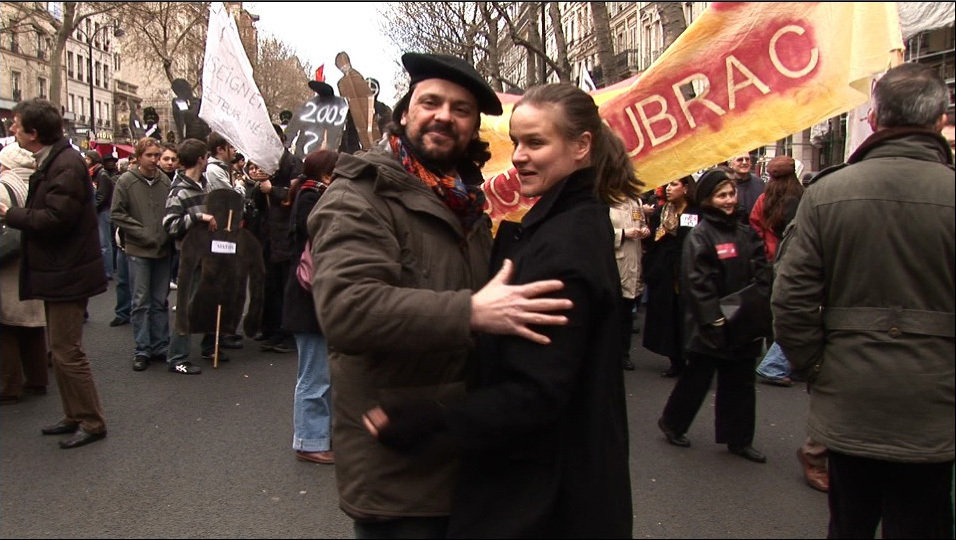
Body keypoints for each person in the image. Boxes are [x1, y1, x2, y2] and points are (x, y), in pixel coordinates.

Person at [307, 52, 572, 539]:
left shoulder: (462, 198)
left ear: (474, 129)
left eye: (461, 109)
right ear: (406, 112)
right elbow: (348, 309)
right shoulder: (359, 195)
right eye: (431, 102)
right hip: (398, 466)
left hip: (457, 450)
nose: (444, 116)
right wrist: (472, 311)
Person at [363, 82, 636, 538]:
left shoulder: (565, 243)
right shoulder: (562, 224)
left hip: (542, 496)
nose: (520, 157)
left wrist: (434, 419)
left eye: (536, 143)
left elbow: (537, 393)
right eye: (517, 142)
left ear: (581, 145)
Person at [772, 62, 954, 538]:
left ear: (874, 120)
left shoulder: (829, 192)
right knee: (922, 519)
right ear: (940, 120)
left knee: (849, 521)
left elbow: (789, 299)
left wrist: (816, 367)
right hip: (937, 398)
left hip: (850, 391)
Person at [0, 98, 108, 449]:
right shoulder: (57, 161)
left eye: (17, 125)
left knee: (66, 350)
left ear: (33, 133)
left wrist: (8, 214)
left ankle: (91, 421)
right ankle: (74, 414)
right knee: (60, 351)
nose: (12, 129)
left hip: (67, 271)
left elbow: (54, 220)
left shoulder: (65, 165)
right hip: (60, 269)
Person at [657, 168, 771, 464]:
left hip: (744, 323)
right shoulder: (700, 236)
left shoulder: (746, 233)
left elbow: (762, 272)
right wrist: (714, 318)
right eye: (722, 195)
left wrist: (756, 306)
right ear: (708, 199)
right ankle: (673, 423)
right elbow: (697, 282)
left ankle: (739, 439)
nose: (729, 200)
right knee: (697, 379)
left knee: (741, 383)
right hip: (713, 325)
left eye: (731, 193)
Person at [283, 149, 338, 464]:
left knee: (322, 375)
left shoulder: (312, 195)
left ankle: (318, 436)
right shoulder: (309, 199)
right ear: (327, 174)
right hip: (308, 301)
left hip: (313, 299)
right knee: (314, 376)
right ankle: (309, 441)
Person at [110, 137, 173, 372]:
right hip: (138, 249)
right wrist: (143, 233)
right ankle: (142, 348)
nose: (155, 160)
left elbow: (170, 211)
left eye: (158, 155)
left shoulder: (164, 181)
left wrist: (166, 233)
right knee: (140, 301)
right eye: (151, 155)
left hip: (162, 248)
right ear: (139, 156)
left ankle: (160, 345)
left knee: (159, 300)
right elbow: (117, 213)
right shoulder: (126, 181)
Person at [162, 138, 220, 375]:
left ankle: (209, 346)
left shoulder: (203, 185)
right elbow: (170, 225)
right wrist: (197, 218)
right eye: (206, 157)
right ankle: (177, 358)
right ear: (200, 159)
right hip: (190, 256)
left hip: (207, 252)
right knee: (187, 306)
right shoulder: (179, 190)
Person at [749, 156, 805, 387]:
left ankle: (774, 352)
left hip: (770, 259)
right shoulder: (802, 198)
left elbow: (755, 226)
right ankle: (781, 361)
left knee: (773, 306)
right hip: (795, 259)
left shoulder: (764, 199)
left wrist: (764, 252)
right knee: (794, 308)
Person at [0, 142, 47, 405]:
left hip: (9, 263)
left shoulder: (4, 186)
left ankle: (9, 385)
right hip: (34, 256)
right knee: (32, 323)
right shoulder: (38, 182)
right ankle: (38, 378)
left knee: (6, 325)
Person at [642, 175, 699, 377]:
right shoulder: (661, 213)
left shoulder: (695, 213)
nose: (668, 189)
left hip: (687, 273)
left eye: (673, 184)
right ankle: (674, 360)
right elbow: (653, 243)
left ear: (685, 188)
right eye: (667, 185)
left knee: (686, 316)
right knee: (668, 317)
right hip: (665, 274)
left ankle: (690, 359)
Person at [609, 195, 650, 371]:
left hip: (634, 263)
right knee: (612, 314)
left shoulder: (636, 202)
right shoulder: (605, 202)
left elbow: (640, 223)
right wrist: (623, 234)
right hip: (616, 264)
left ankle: (623, 354)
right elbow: (598, 233)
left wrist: (644, 229)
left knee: (626, 314)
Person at [84, 150, 114, 281]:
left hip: (103, 212)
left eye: (87, 158)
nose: (85, 160)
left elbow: (102, 195)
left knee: (104, 244)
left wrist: (93, 208)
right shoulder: (92, 174)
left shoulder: (102, 175)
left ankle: (107, 271)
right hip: (98, 211)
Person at [726, 152, 765, 220]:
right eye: (740, 160)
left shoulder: (760, 183)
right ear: (731, 164)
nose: (744, 162)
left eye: (747, 159)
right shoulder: (725, 185)